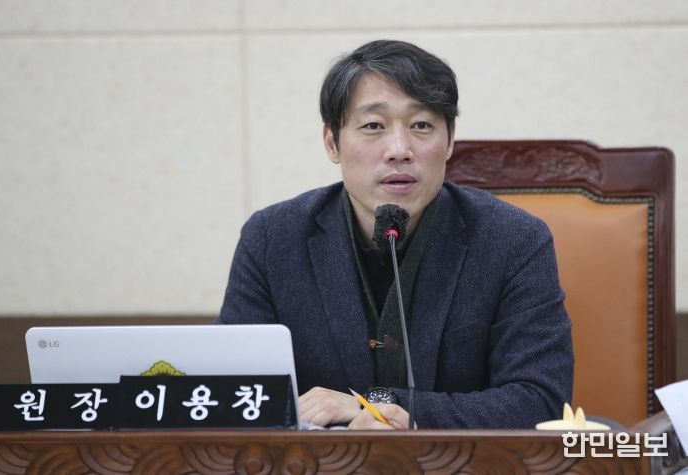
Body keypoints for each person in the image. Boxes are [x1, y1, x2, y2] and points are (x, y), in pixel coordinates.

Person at [217, 39, 573, 429]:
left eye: (421, 125)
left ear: (450, 140)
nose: (399, 149)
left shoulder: (514, 240)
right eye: (373, 126)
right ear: (332, 142)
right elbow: (233, 393)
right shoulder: (272, 240)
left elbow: (541, 401)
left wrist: (383, 407)